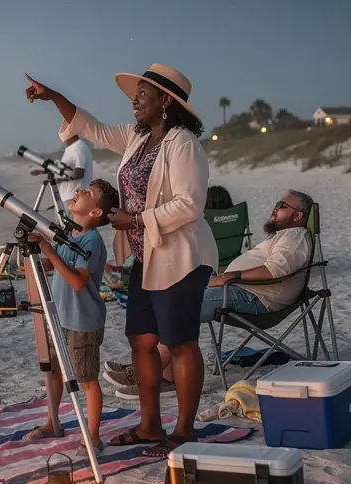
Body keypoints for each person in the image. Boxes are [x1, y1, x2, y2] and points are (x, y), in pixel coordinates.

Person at [25, 64, 217, 457]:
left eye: (143, 94)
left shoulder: (182, 144)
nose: (135, 100)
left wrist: (137, 220)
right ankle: (150, 426)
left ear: (166, 101)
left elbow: (190, 204)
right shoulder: (136, 137)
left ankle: (184, 430)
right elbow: (90, 126)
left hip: (181, 256)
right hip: (146, 259)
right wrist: (53, 97)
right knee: (141, 340)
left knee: (179, 343)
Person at [106, 190, 315, 396]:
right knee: (167, 299)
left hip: (255, 298)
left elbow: (275, 270)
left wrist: (229, 277)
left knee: (178, 309)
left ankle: (145, 374)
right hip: (238, 290)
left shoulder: (296, 236)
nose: (275, 208)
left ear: (298, 216)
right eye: (277, 203)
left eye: (283, 206)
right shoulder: (283, 236)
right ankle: (164, 377)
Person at [23, 179, 119, 456]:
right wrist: (37, 253)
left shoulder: (91, 241)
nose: (78, 192)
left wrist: (49, 251)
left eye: (87, 193)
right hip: (59, 316)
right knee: (53, 372)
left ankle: (93, 437)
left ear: (96, 212)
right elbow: (57, 267)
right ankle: (53, 423)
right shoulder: (71, 235)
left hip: (81, 320)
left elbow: (77, 281)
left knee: (87, 380)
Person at [32, 134, 93, 204]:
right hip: (69, 196)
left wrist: (61, 179)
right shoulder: (72, 148)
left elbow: (79, 173)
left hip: (74, 197)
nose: (63, 141)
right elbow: (64, 169)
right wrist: (43, 171)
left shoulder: (78, 148)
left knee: (66, 214)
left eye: (63, 138)